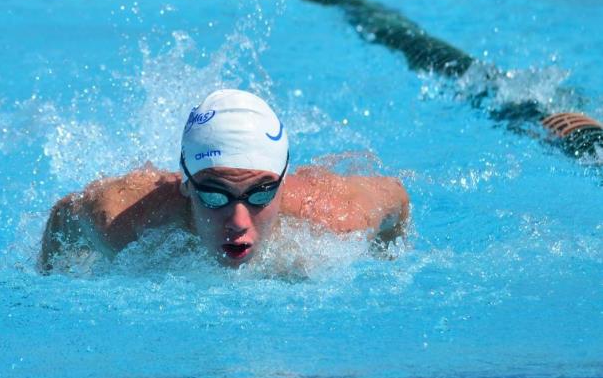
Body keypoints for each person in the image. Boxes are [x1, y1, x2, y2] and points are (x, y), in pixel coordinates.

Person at [39, 89, 409, 271]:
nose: (238, 223)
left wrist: (388, 265)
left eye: (261, 195)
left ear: (281, 184)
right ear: (187, 185)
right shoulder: (119, 222)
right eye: (215, 197)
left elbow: (397, 196)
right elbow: (61, 218)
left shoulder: (338, 218)